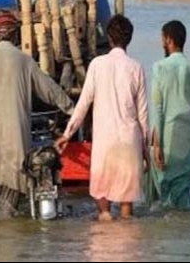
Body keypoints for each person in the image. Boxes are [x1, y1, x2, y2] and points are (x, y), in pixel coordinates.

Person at [0, 12, 74, 217]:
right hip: (14, 129)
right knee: (12, 179)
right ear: (16, 35)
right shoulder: (24, 60)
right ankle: (8, 222)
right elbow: (50, 90)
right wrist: (72, 109)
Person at [57, 15, 149, 220]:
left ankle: (103, 243)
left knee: (104, 209)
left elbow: (83, 103)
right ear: (129, 39)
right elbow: (142, 114)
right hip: (129, 141)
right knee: (127, 210)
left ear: (109, 38)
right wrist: (145, 151)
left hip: (105, 142)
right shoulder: (136, 68)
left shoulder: (97, 65)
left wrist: (67, 133)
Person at [145, 20, 190, 210]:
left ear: (168, 40)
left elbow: (158, 108)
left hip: (168, 135)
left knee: (164, 190)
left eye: (162, 39)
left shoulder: (160, 67)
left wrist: (156, 145)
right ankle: (187, 235)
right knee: (183, 189)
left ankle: (168, 235)